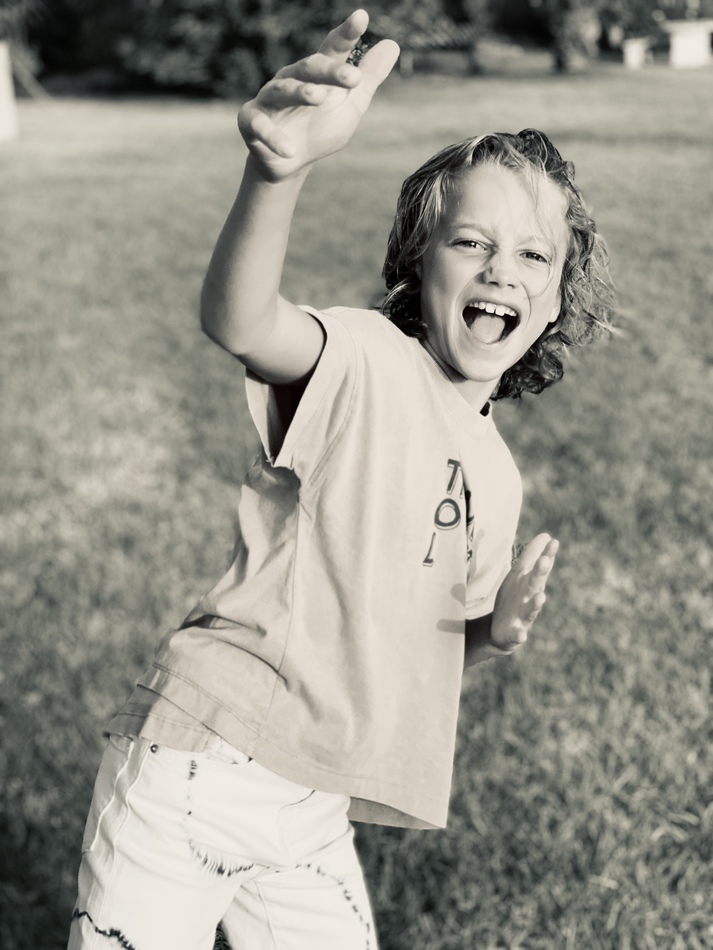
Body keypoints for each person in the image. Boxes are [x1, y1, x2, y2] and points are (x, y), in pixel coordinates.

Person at [68, 9, 613, 950]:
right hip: (200, 765)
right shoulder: (363, 358)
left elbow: (422, 653)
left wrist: (492, 633)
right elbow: (243, 323)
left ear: (557, 297)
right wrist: (276, 172)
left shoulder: (496, 475)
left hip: (311, 810)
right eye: (470, 242)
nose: (502, 270)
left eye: (534, 254)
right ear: (417, 260)